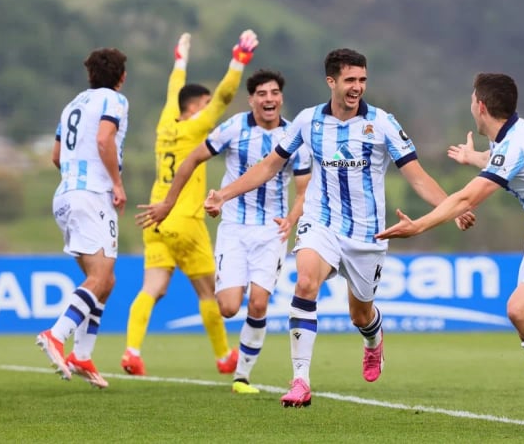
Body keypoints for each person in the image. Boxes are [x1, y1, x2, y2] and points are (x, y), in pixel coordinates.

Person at [203, 48, 474, 407]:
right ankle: (300, 380)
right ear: (331, 81)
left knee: (360, 315)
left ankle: (373, 339)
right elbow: (269, 166)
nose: (357, 87)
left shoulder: (382, 123)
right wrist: (223, 194)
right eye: (350, 80)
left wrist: (449, 208)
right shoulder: (308, 121)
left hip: (368, 235)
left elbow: (417, 177)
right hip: (322, 222)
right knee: (305, 282)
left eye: (362, 80)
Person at [376, 73, 524, 430]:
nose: (471, 106)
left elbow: (468, 198)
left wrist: (418, 226)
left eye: (472, 101)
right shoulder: (514, 137)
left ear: (481, 107)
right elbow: (501, 159)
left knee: (518, 309)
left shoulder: (515, 146)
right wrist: (474, 157)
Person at [135, 69, 312, 394]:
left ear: (281, 98)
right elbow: (192, 159)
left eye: (274, 93)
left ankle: (241, 376)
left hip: (271, 230)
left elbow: (303, 191)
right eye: (262, 94)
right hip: (233, 228)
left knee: (258, 303)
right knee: (229, 307)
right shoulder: (234, 128)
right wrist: (168, 203)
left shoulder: (294, 137)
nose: (269, 99)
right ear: (252, 100)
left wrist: (292, 218)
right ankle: (232, 340)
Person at [120, 30, 258, 376]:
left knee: (152, 288)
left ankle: (132, 350)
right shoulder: (196, 129)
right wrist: (238, 60)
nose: (209, 108)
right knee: (209, 292)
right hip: (184, 218)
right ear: (195, 107)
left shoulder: (165, 123)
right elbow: (225, 96)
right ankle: (224, 356)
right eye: (204, 103)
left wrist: (180, 60)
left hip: (154, 217)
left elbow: (173, 89)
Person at [36, 47, 129, 389]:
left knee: (105, 280)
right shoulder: (114, 100)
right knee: (100, 278)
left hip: (65, 195)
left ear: (90, 75)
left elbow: (56, 155)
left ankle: (82, 355)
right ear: (122, 76)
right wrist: (116, 183)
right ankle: (56, 334)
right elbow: (104, 139)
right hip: (92, 196)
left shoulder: (72, 104)